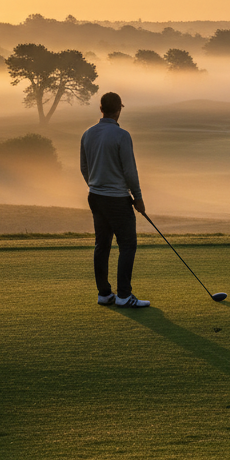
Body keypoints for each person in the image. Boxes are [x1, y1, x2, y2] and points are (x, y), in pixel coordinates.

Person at [80, 91, 150, 308]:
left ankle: (104, 294)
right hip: (118, 200)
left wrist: (96, 185)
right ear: (119, 109)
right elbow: (130, 171)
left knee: (102, 245)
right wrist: (138, 198)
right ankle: (123, 295)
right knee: (128, 245)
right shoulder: (122, 135)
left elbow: (84, 168)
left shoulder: (88, 134)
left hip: (95, 196)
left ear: (101, 109)